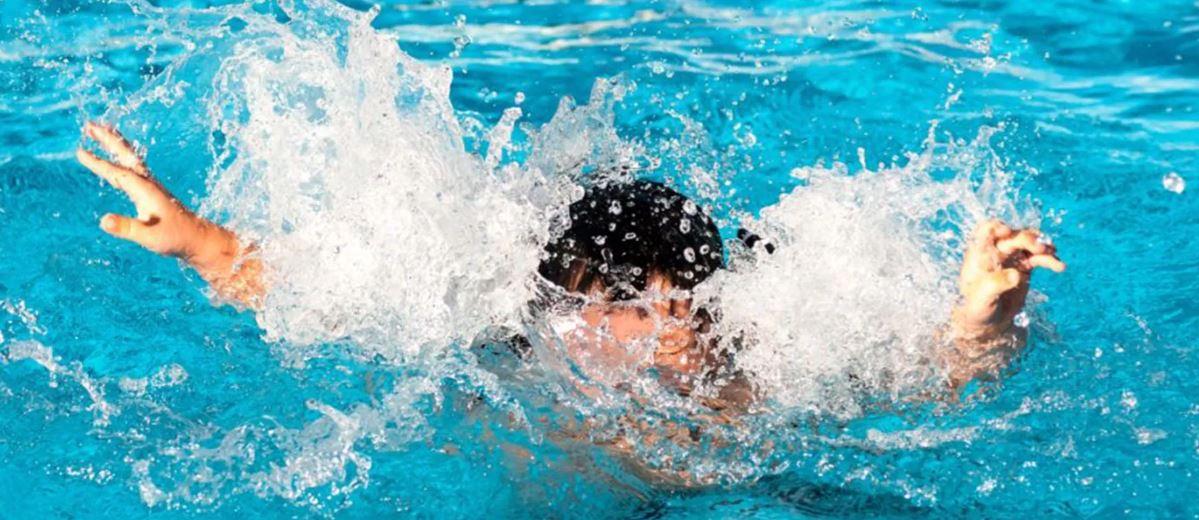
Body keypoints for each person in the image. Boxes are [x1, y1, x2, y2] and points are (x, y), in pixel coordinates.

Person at [75, 121, 1066, 401]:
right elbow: (332, 293)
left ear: (681, 306)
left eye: (619, 310)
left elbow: (938, 384)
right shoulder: (526, 327)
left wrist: (985, 312)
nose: (579, 334)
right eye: (571, 305)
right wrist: (198, 239)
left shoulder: (769, 353)